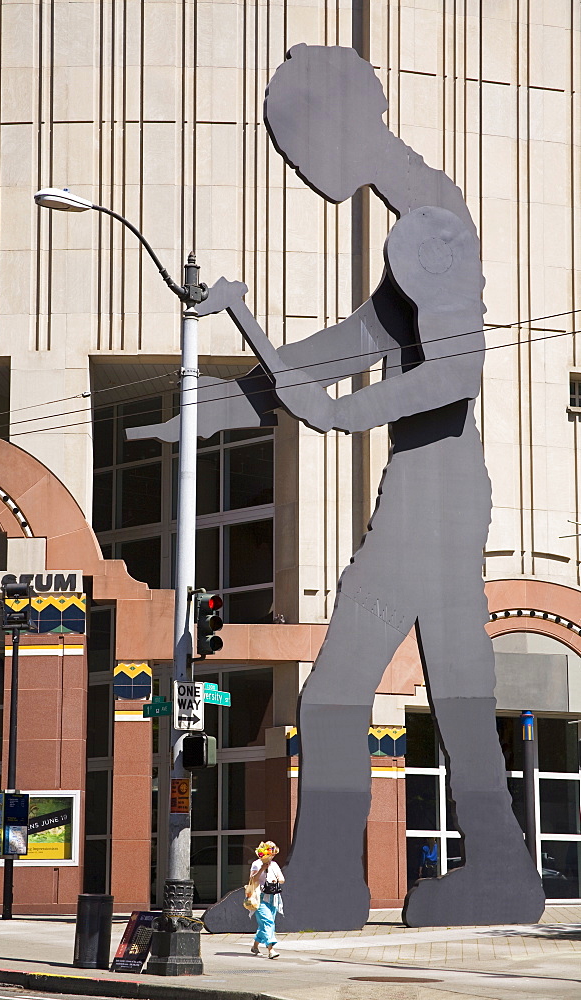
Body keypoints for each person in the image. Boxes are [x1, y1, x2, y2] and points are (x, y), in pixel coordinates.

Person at [133, 44, 545, 931]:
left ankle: (321, 882)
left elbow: (455, 374)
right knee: (461, 691)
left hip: (429, 490)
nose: (295, 161)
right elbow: (347, 347)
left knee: (333, 693)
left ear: (343, 123)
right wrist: (207, 408)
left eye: (295, 140)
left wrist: (350, 417)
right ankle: (502, 873)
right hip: (438, 485)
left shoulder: (425, 222)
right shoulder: (422, 213)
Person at [248, 841, 284, 958]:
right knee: (268, 921)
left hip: (273, 897)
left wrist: (277, 880)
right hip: (259, 897)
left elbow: (282, 879)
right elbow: (253, 879)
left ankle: (255, 946)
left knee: (266, 924)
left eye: (273, 853)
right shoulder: (256, 864)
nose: (272, 855)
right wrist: (263, 868)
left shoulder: (274, 865)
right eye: (270, 852)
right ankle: (271, 949)